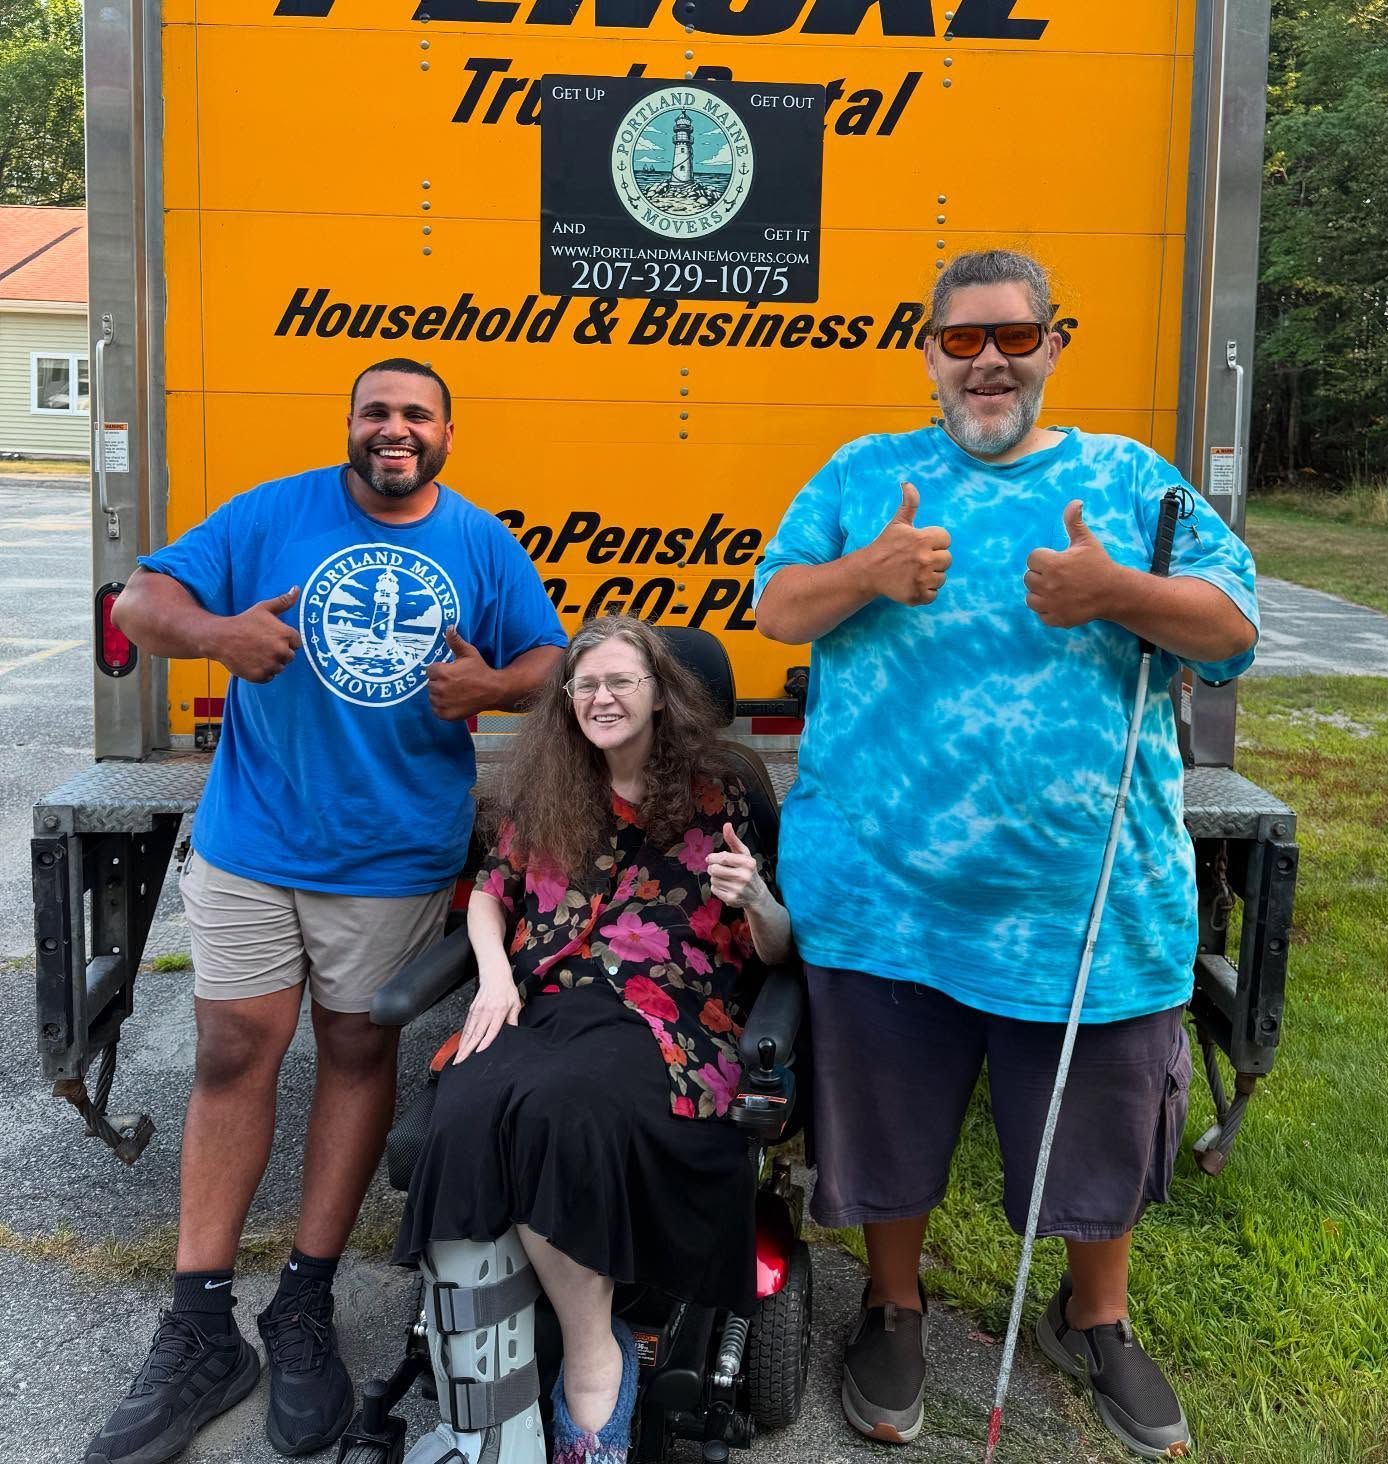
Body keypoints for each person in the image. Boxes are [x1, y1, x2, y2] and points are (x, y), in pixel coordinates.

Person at [753, 250, 1259, 1458]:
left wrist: (1117, 589)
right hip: (888, 890)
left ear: (1053, 344)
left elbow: (1234, 632)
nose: (990, 360)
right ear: (927, 352)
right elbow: (776, 610)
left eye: (1015, 337)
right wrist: (869, 572)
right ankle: (893, 1301)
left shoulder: (1132, 481)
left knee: (1095, 1119)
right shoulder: (863, 475)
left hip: (1082, 897)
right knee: (884, 1117)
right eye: (963, 338)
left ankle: (1096, 1319)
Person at [86, 359, 567, 1464]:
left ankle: (301, 1306)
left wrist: (490, 688)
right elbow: (141, 601)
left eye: (415, 415)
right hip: (256, 844)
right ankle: (202, 1324)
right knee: (231, 1057)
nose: (393, 430)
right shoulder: (271, 512)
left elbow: (550, 661)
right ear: (350, 426)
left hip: (393, 859)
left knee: (357, 1056)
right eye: (375, 413)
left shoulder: (482, 544)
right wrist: (218, 639)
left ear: (448, 431)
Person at [392, 614, 793, 1464]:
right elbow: (492, 891)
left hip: (670, 1019)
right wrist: (495, 975)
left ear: (661, 693)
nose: (602, 698)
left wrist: (754, 895)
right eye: (586, 685)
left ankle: (592, 1358)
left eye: (621, 681)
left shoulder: (723, 794)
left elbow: (779, 949)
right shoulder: (550, 786)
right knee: (464, 1112)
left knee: (557, 1112)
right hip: (543, 1004)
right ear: (566, 700)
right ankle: (486, 1421)